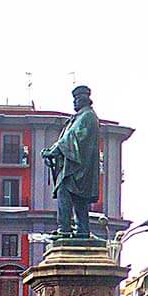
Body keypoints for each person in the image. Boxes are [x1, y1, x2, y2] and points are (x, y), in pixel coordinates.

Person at [42, 85, 101, 239]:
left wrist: (54, 151)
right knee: (78, 198)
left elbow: (73, 138)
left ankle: (65, 229)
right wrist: (53, 153)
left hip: (78, 166)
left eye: (77, 99)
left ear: (85, 99)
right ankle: (82, 231)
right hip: (74, 165)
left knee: (65, 192)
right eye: (73, 99)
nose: (74, 102)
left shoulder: (87, 116)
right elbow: (67, 139)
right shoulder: (79, 117)